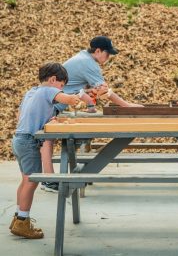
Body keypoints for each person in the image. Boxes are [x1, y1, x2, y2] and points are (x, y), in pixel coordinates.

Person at [41, 36, 143, 192]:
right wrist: (127, 106)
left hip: (49, 102)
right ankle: (48, 180)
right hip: (50, 104)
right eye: (107, 54)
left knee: (47, 140)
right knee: (47, 140)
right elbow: (105, 92)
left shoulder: (82, 57)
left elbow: (77, 87)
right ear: (98, 51)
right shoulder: (88, 63)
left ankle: (48, 179)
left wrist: (89, 102)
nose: (108, 58)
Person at [10, 63, 80, 239]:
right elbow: (68, 100)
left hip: (19, 139)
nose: (60, 90)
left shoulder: (31, 92)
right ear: (53, 79)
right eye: (61, 86)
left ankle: (19, 218)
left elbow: (21, 116)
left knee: (26, 180)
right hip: (28, 141)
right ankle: (22, 223)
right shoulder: (48, 90)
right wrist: (78, 97)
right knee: (31, 182)